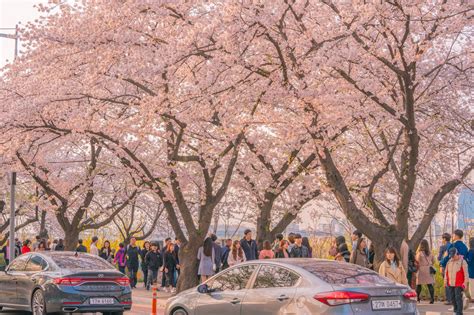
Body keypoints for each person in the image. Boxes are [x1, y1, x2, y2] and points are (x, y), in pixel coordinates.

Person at [445, 247, 469, 315]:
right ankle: (455, 311)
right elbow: (446, 273)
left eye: (453, 255)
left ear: (456, 253)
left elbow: (466, 274)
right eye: (451, 256)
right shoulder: (449, 262)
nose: (452, 257)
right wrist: (445, 281)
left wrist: (465, 283)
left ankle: (459, 312)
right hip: (450, 283)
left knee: (458, 297)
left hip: (459, 283)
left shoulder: (462, 261)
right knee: (452, 298)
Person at [415, 239, 435, 303]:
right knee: (430, 285)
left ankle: (418, 298)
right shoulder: (430, 253)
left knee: (419, 285)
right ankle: (432, 299)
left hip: (421, 270)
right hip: (429, 270)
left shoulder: (419, 253)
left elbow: (416, 262)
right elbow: (434, 261)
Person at [439, 233, 453, 305]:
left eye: (442, 239)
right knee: (452, 282)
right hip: (452, 265)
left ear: (444, 239)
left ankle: (449, 299)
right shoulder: (452, 245)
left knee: (446, 282)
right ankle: (453, 299)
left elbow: (439, 257)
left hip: (444, 266)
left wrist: (441, 264)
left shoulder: (443, 247)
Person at [467, 237, 474, 303]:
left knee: (472, 284)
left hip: (472, 271)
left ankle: (472, 298)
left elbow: (468, 260)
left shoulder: (471, 251)